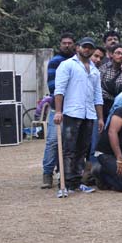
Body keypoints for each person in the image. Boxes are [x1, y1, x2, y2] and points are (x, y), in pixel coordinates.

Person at [54, 36, 104, 194]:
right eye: (84, 46)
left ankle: (77, 181)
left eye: (90, 47)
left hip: (89, 114)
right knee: (69, 149)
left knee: (82, 149)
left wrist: (100, 118)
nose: (87, 50)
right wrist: (58, 111)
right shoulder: (67, 65)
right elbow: (59, 89)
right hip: (72, 112)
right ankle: (65, 183)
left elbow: (98, 95)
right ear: (77, 48)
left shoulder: (95, 70)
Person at [41, 32, 75, 189]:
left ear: (74, 45)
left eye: (70, 43)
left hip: (74, 109)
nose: (67, 45)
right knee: (53, 141)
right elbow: (53, 87)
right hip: (58, 107)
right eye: (64, 43)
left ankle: (65, 173)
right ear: (60, 45)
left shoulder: (78, 62)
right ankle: (47, 173)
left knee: (69, 143)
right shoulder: (55, 61)